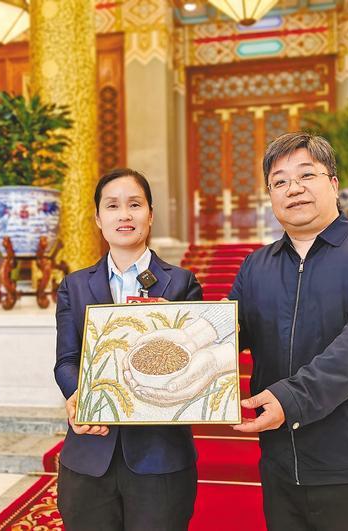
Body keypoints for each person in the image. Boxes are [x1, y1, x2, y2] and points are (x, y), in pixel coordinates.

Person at [229, 132, 348, 530]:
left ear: (333, 183)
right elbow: (224, 339)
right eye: (279, 181)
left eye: (306, 175)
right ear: (270, 195)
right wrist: (167, 328)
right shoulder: (255, 266)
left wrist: (292, 398)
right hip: (281, 467)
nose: (293, 189)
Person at [54, 168, 202, 531]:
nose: (124, 214)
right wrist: (78, 396)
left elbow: (195, 364)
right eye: (112, 206)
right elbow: (67, 360)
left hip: (161, 456)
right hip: (90, 454)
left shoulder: (181, 283)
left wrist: (172, 330)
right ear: (98, 218)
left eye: (135, 204)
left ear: (150, 214)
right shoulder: (75, 285)